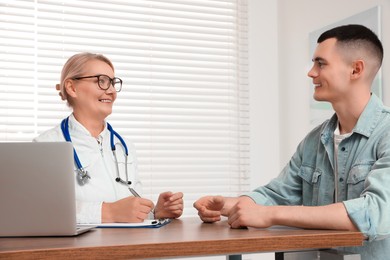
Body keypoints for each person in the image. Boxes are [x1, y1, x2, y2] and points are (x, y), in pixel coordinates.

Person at [194, 24, 390, 259]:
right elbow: (279, 193)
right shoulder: (315, 140)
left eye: (321, 63)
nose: (311, 72)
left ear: (356, 70)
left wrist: (271, 215)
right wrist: (231, 205)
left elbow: (377, 214)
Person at [34, 52, 183, 224]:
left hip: (126, 248)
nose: (111, 90)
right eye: (102, 81)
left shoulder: (124, 147)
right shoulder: (47, 145)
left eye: (112, 82)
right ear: (72, 87)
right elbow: (40, 212)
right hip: (79, 250)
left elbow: (128, 213)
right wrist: (108, 213)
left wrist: (154, 213)